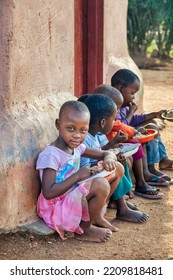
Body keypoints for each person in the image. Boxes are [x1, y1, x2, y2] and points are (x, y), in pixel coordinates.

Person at [36, 100, 126, 243]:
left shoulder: (77, 147)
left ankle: (94, 216)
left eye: (83, 130)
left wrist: (109, 157)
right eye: (71, 129)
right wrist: (78, 176)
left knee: (117, 168)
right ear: (58, 125)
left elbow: (104, 154)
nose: (77, 135)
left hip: (71, 195)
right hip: (57, 207)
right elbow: (48, 193)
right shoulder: (51, 155)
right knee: (101, 185)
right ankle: (84, 229)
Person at [79, 94, 149, 222]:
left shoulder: (94, 135)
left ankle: (115, 205)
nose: (115, 122)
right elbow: (84, 169)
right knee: (115, 165)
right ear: (103, 122)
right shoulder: (85, 140)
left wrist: (112, 148)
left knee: (117, 162)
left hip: (93, 177)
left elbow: (100, 151)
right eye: (113, 119)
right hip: (84, 185)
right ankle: (118, 208)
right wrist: (105, 160)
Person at [91, 84, 166, 199]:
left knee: (132, 149)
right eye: (116, 108)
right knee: (126, 156)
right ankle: (137, 184)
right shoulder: (105, 123)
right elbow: (123, 127)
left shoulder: (114, 116)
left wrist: (153, 115)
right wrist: (135, 129)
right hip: (98, 165)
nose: (117, 112)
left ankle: (138, 181)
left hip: (108, 151)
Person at [111, 68, 173, 181]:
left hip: (126, 131)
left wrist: (154, 115)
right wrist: (131, 112)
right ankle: (149, 169)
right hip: (119, 137)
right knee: (143, 136)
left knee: (152, 124)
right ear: (120, 88)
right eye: (132, 93)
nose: (133, 97)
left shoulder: (124, 107)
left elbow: (133, 120)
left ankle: (162, 160)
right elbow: (121, 126)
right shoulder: (114, 107)